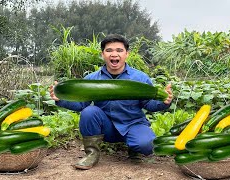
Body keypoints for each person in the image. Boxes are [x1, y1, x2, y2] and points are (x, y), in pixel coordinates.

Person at [50, 34, 173, 170]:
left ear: (127, 54)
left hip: (133, 124)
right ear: (103, 54)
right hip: (106, 126)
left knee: (147, 145)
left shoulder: (140, 77)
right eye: (109, 50)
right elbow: (81, 105)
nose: (114, 54)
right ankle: (92, 154)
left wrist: (164, 102)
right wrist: (61, 100)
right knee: (89, 111)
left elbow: (148, 104)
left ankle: (134, 149)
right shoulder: (91, 79)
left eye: (119, 50)